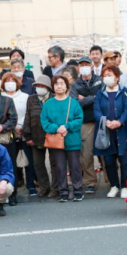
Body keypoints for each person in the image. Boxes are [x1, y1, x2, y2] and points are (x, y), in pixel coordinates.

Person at [40, 72, 83, 202]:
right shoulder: (48, 104)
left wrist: (67, 126)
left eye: (62, 83)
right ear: (53, 87)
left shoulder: (73, 102)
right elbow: (44, 121)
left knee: (75, 166)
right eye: (56, 84)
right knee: (59, 167)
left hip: (72, 139)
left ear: (66, 86)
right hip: (56, 141)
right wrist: (56, 128)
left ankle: (78, 190)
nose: (59, 86)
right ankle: (63, 191)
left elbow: (79, 119)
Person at [94, 64, 127, 199]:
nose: (107, 77)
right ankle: (114, 186)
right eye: (105, 75)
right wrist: (105, 122)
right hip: (106, 130)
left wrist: (120, 121)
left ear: (117, 77)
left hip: (122, 130)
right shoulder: (100, 93)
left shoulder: (124, 91)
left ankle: (124, 186)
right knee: (109, 160)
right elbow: (96, 110)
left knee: (124, 159)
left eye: (109, 75)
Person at [72, 54, 102, 196]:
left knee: (105, 152)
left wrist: (85, 98)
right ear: (78, 67)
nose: (84, 67)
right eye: (81, 65)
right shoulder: (75, 84)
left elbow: (102, 97)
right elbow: (75, 103)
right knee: (86, 154)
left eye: (86, 64)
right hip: (85, 121)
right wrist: (93, 97)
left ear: (91, 66)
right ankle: (90, 182)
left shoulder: (99, 80)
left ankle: (111, 181)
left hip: (101, 120)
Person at [22, 75, 54, 199]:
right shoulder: (31, 99)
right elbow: (28, 117)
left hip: (52, 135)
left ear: (48, 87)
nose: (39, 88)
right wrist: (28, 136)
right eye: (37, 86)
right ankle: (44, 187)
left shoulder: (54, 98)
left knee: (55, 163)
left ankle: (55, 188)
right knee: (38, 163)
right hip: (36, 136)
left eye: (42, 86)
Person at [1, 70, 28, 204]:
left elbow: (27, 114)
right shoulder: (1, 97)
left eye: (12, 81)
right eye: (7, 81)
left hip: (23, 131)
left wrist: (21, 126)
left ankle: (28, 185)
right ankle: (8, 190)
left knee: (25, 160)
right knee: (9, 163)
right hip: (6, 135)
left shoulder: (25, 96)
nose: (10, 84)